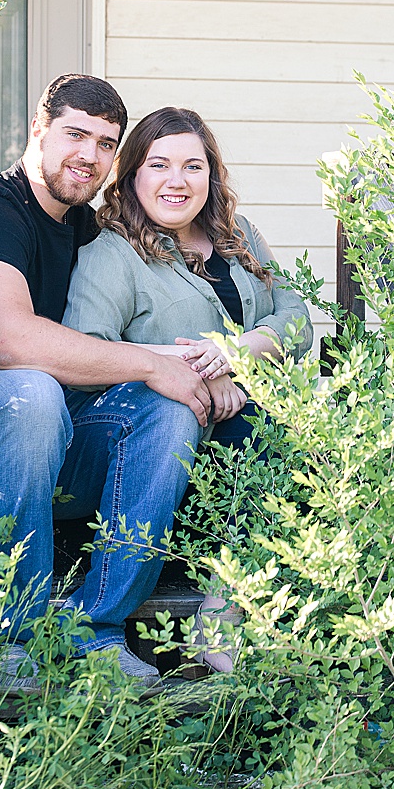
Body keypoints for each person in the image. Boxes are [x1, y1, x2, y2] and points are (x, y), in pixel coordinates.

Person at [0, 74, 229, 688]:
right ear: (38, 130)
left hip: (60, 442)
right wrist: (151, 363)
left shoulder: (86, 228)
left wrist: (213, 364)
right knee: (33, 390)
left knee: (170, 408)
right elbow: (8, 342)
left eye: (107, 143)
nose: (89, 156)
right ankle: (11, 636)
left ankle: (95, 629)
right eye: (75, 135)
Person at [63, 105, 311, 670]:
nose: (177, 181)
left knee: (293, 432)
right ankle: (92, 624)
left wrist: (236, 358)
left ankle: (223, 613)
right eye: (159, 165)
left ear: (211, 175)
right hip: (139, 446)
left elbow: (296, 318)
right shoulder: (112, 255)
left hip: (235, 429)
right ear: (130, 177)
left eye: (193, 166)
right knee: (237, 428)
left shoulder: (239, 236)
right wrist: (199, 372)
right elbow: (85, 352)